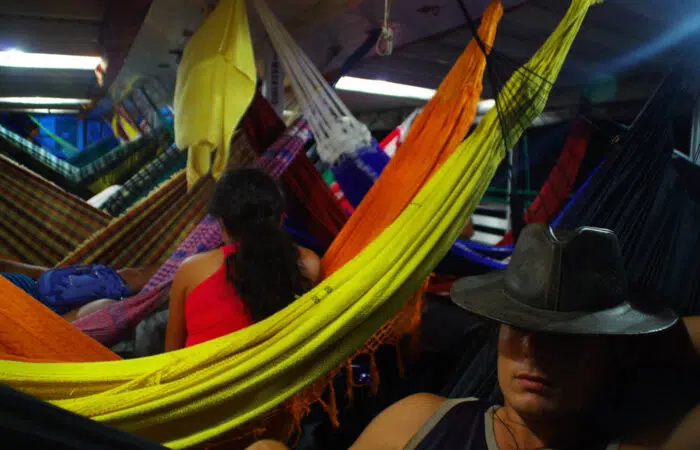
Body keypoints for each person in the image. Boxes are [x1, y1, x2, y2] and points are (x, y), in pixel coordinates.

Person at [245, 223, 700, 450]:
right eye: (519, 327)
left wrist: (640, 339)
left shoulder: (643, 443)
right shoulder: (421, 421)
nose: (533, 352)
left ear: (613, 350)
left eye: (566, 338)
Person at [165, 168, 321, 351]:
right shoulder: (308, 264)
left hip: (212, 370)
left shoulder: (191, 271)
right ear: (280, 219)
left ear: (223, 226)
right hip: (287, 365)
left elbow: (172, 355)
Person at [0, 259, 158, 321]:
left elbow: (5, 265)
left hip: (50, 291)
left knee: (128, 277)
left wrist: (49, 273)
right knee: (127, 281)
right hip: (47, 309)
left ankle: (170, 275)